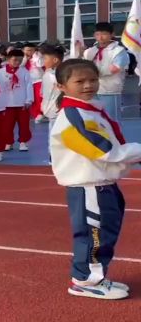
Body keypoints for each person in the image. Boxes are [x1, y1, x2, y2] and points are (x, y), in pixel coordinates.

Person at [50, 59, 141, 300]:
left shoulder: (90, 109)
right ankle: (85, 280)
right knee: (93, 235)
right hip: (89, 185)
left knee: (106, 232)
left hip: (103, 183)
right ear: (61, 86)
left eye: (92, 80)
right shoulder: (72, 115)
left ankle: (96, 276)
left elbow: (110, 147)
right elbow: (102, 149)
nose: (88, 85)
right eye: (79, 81)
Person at [82, 22, 129, 121]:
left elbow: (115, 69)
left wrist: (92, 73)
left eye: (104, 34)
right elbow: (82, 64)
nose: (100, 37)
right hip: (93, 90)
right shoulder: (91, 51)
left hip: (110, 91)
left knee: (111, 121)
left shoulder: (119, 51)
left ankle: (114, 137)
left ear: (112, 34)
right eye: (97, 34)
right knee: (96, 121)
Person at [0, 49, 33, 152]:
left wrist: (29, 100)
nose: (17, 62)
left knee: (24, 124)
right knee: (7, 125)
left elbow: (29, 86)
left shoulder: (24, 71)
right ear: (8, 59)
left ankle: (23, 142)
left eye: (20, 60)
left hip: (22, 103)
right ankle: (8, 142)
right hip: (6, 104)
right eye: (15, 60)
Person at [23, 43, 45, 122]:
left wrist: (36, 56)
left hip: (39, 80)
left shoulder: (38, 57)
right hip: (27, 82)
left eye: (31, 50)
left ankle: (41, 113)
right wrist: (25, 58)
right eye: (27, 50)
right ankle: (36, 115)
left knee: (39, 98)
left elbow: (40, 64)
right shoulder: (22, 58)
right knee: (31, 99)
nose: (29, 52)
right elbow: (20, 66)